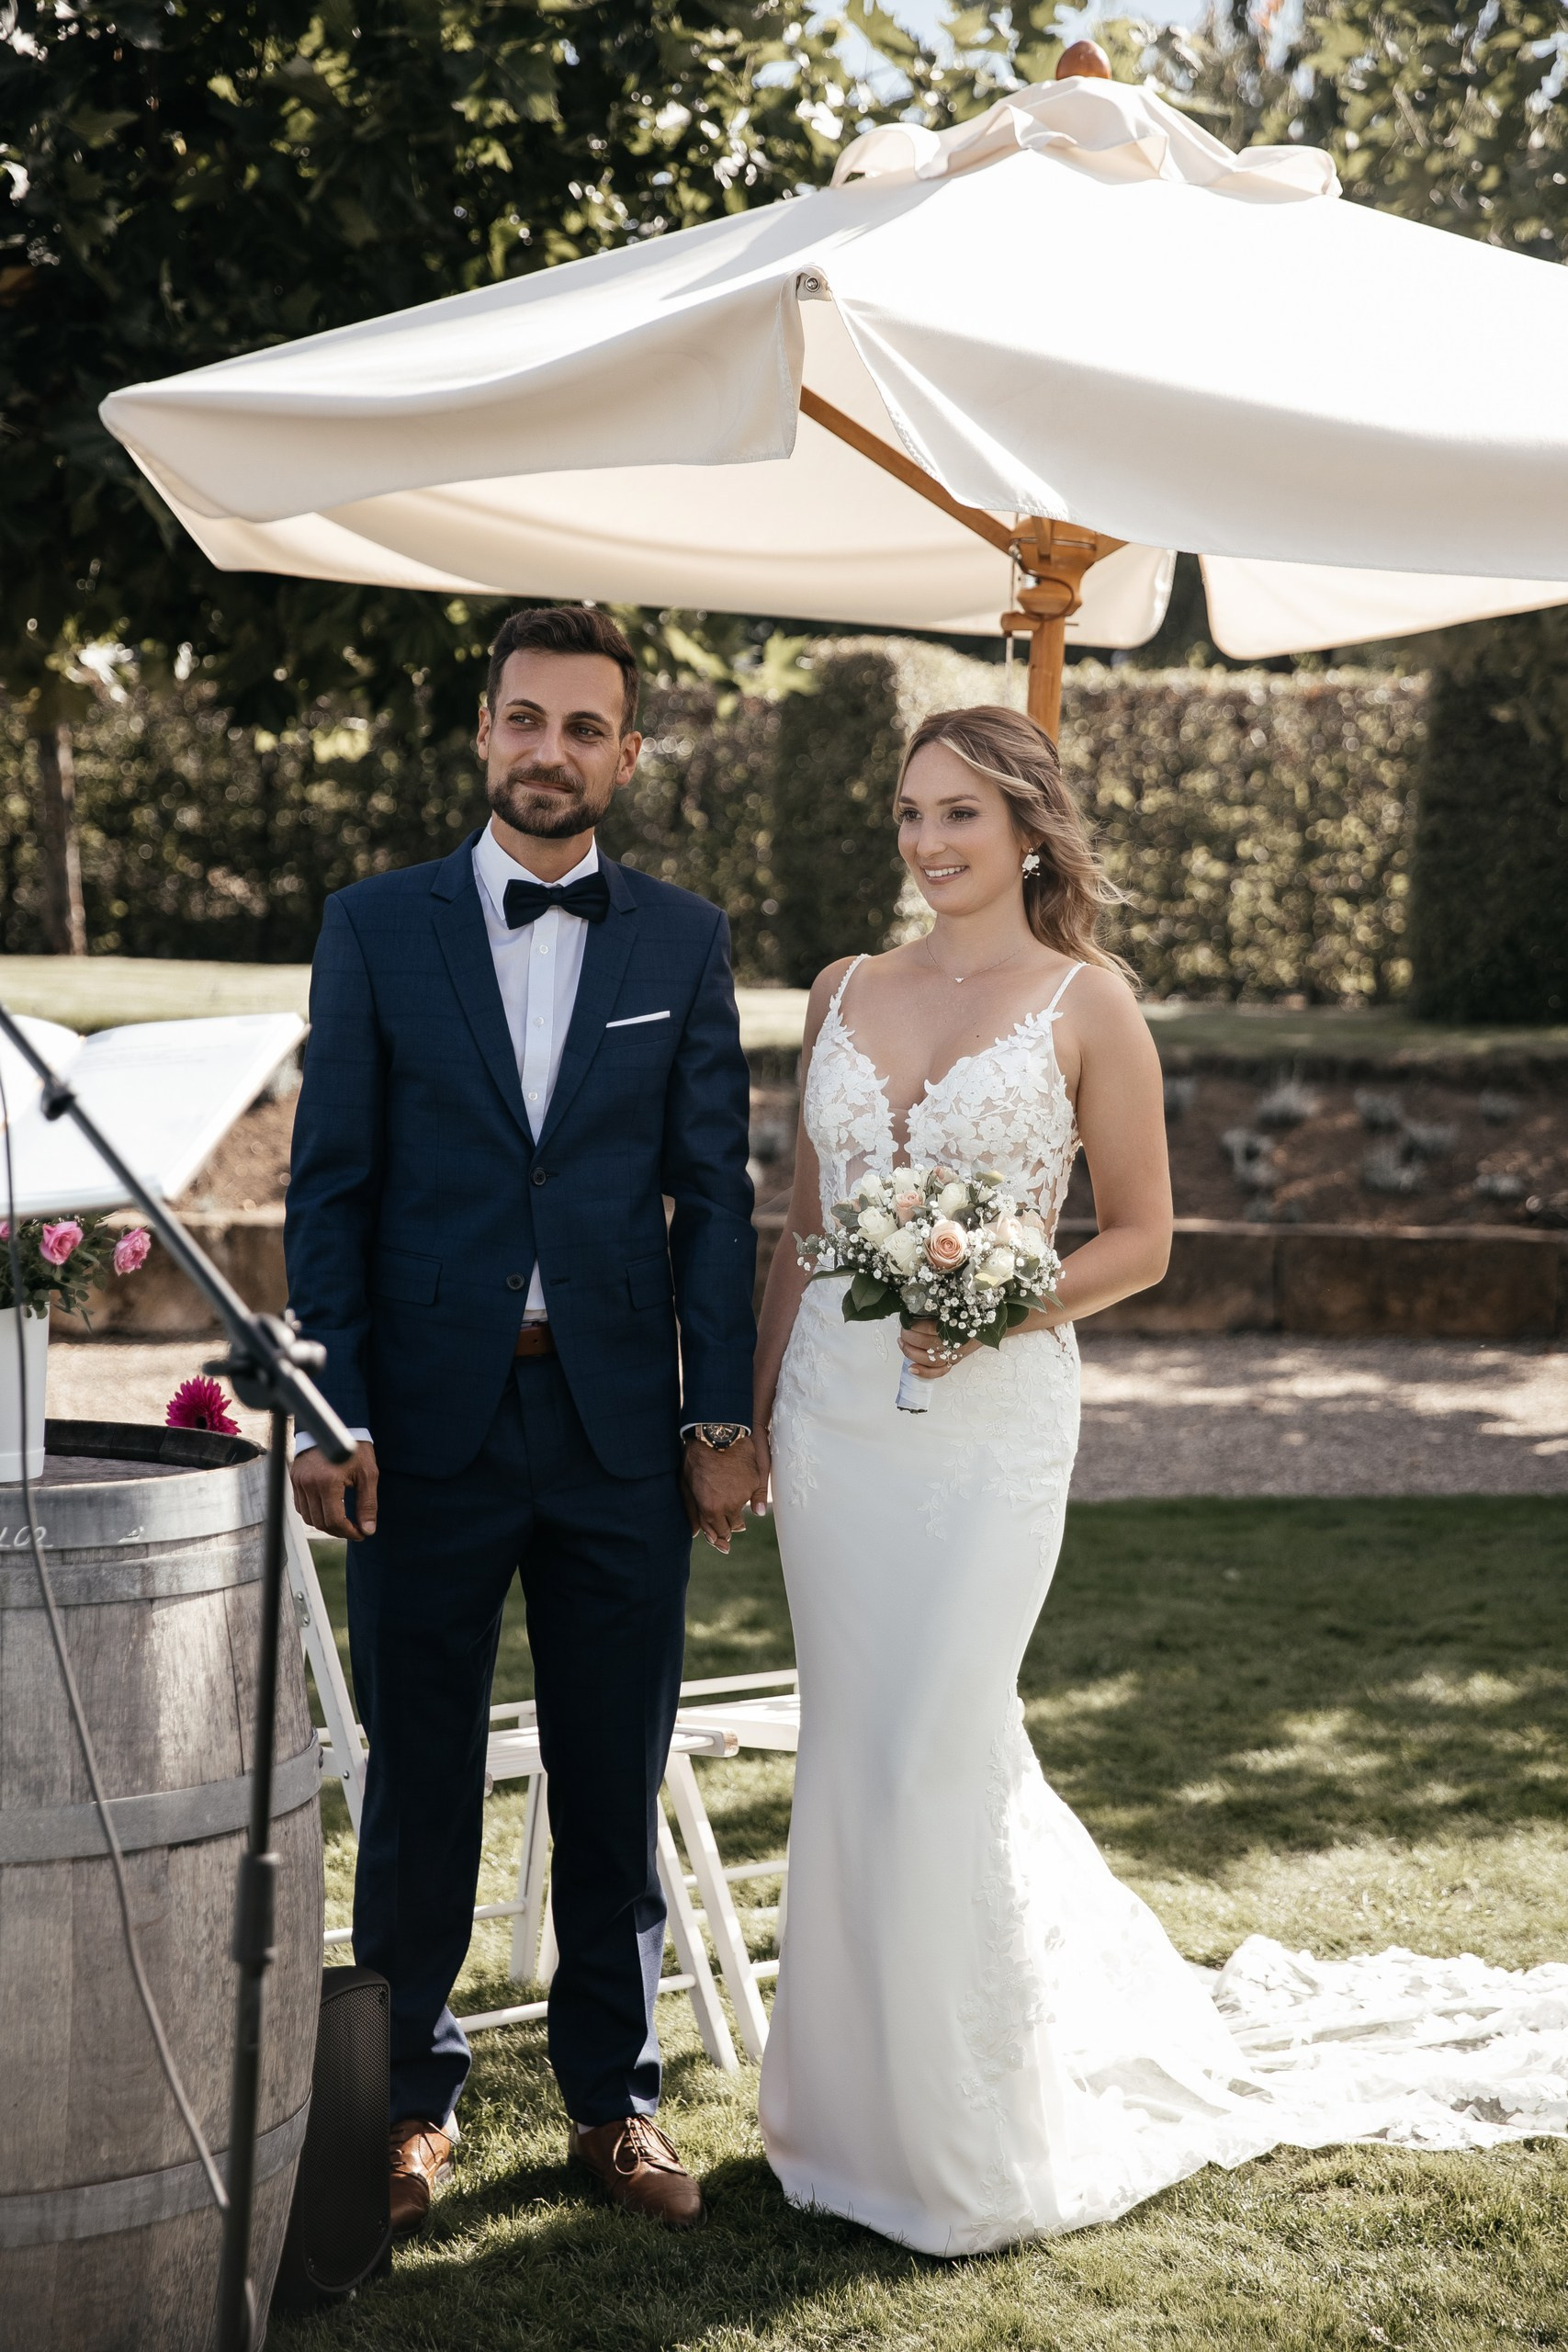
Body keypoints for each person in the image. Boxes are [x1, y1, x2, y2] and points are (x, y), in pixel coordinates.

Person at [752, 703, 1566, 2253]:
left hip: (992, 1425)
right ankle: (842, 2124)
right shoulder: (841, 988)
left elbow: (1142, 1239)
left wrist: (999, 1305)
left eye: (960, 815)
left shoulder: (1089, 1002)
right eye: (911, 813)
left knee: (934, 1737)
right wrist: (741, 1421)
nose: (929, 842)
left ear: (1028, 829)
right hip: (834, 1424)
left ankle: (965, 2144)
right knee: (855, 1748)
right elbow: (802, 1228)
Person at [286, 605, 762, 2237]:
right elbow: (331, 1190)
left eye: (584, 727)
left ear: (627, 755)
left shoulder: (683, 941)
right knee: (418, 1776)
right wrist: (330, 1410)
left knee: (611, 1770)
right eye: (524, 719)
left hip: (621, 1426)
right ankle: (407, 2103)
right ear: (486, 731)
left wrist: (720, 1418)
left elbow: (716, 1197)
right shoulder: (374, 925)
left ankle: (613, 2104)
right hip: (423, 1429)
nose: (549, 751)